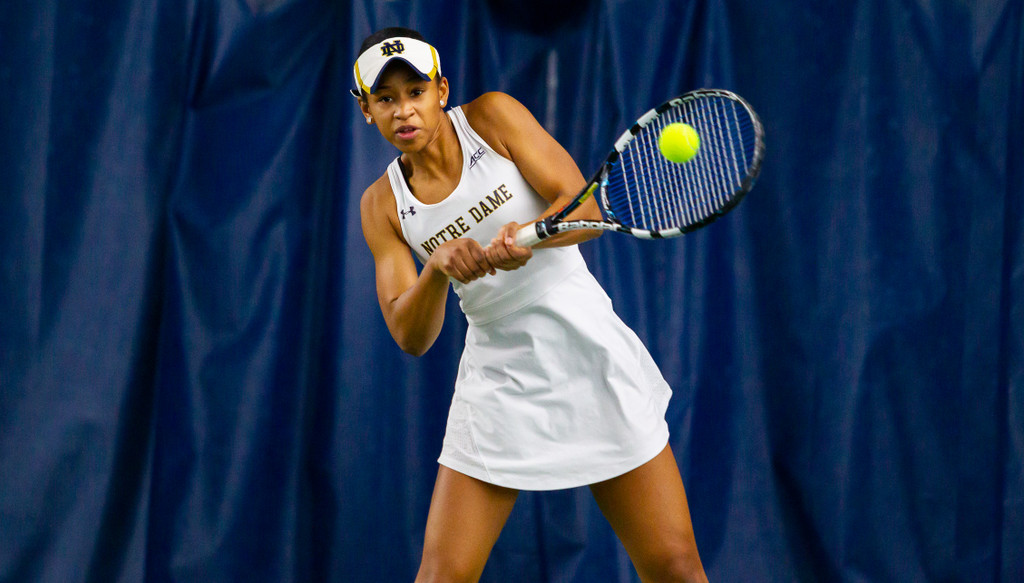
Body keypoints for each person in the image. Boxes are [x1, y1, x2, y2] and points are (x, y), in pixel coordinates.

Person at [354, 26, 708, 583]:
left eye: (415, 91)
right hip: (499, 379)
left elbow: (584, 208)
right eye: (386, 99)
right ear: (367, 110)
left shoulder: (493, 118)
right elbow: (410, 334)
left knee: (675, 568)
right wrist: (438, 269)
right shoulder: (381, 206)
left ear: (441, 90)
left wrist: (533, 234)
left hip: (586, 348)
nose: (404, 110)